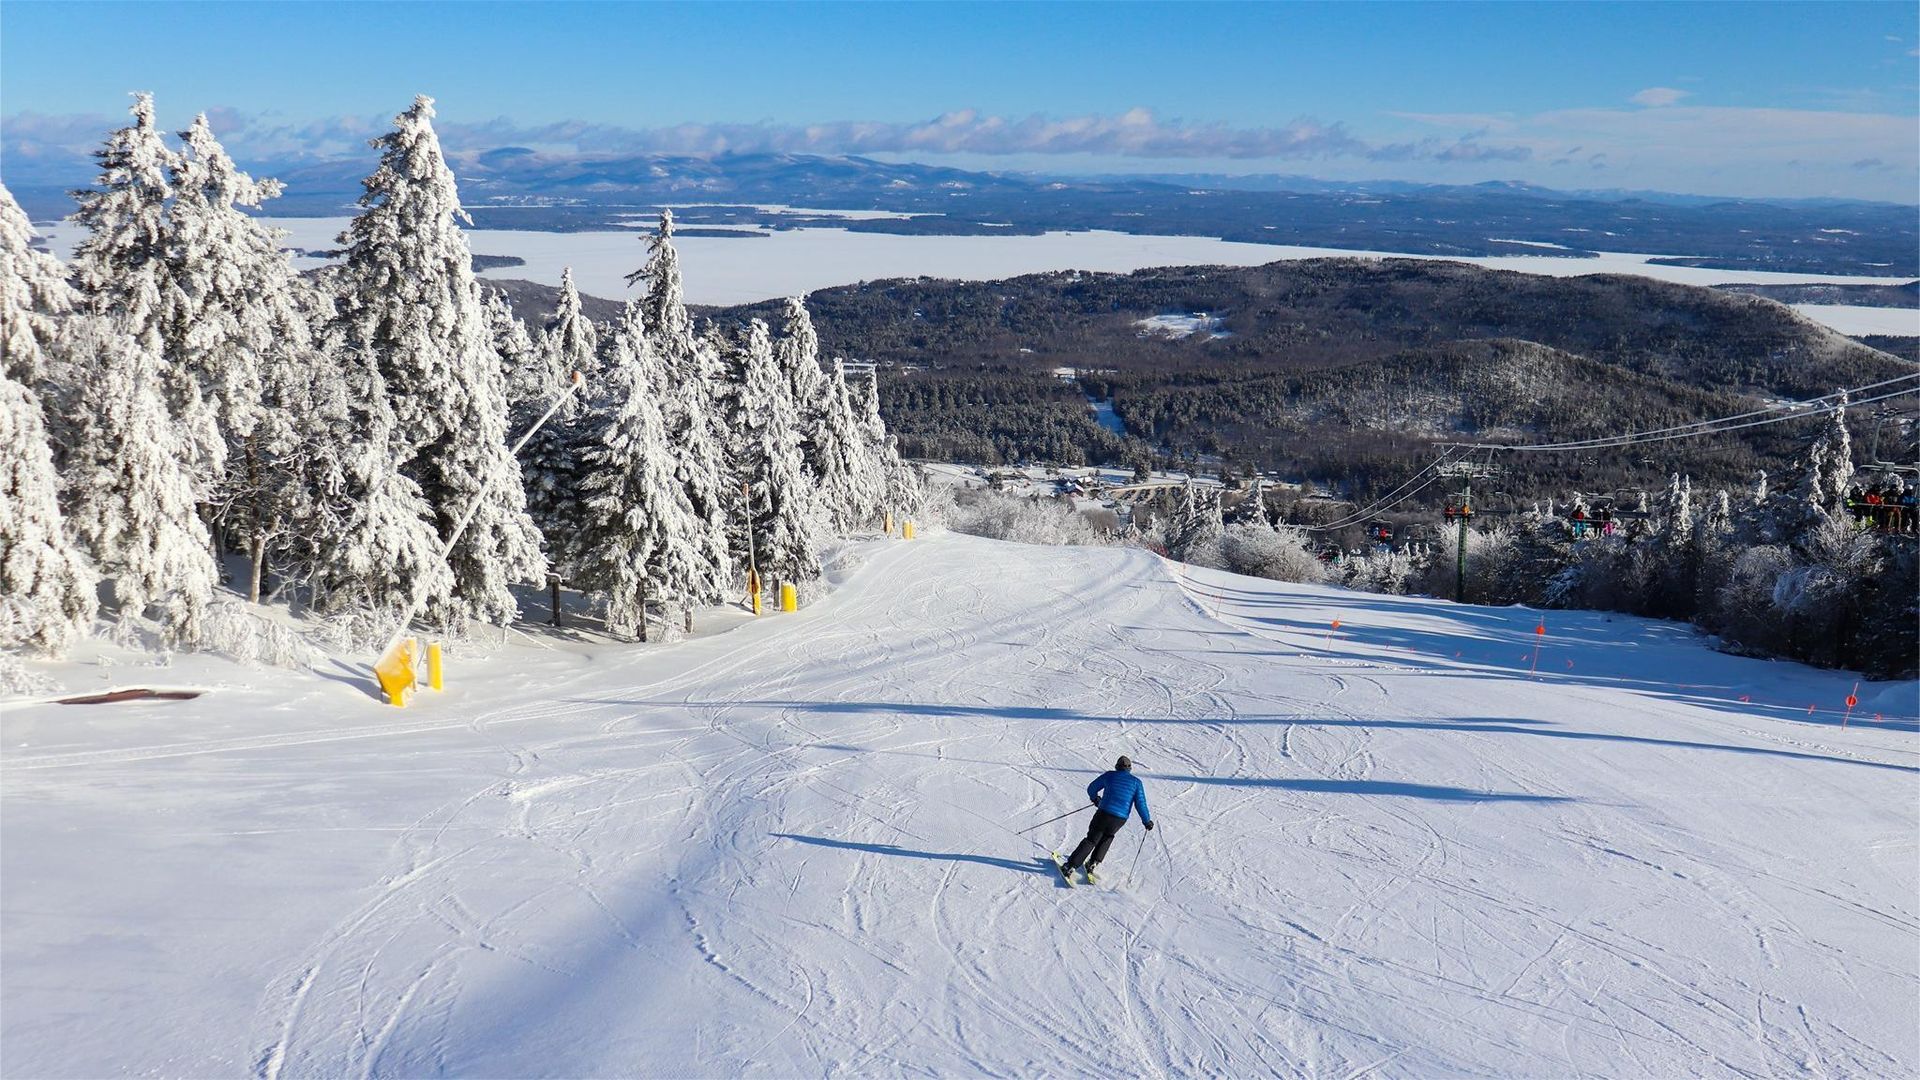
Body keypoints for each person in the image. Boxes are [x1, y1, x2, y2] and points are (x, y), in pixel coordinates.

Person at [1060, 756, 1153, 883]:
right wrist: (1146, 821)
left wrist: (1095, 799)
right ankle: (1093, 863)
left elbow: (1091, 788)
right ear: (1129, 768)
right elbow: (1140, 803)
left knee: (1092, 839)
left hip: (1103, 813)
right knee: (1107, 837)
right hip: (1119, 819)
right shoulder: (1136, 783)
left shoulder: (1110, 775)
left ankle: (1070, 866)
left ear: (1117, 766)